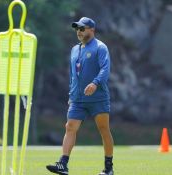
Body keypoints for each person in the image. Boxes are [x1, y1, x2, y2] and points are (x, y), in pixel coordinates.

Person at [46, 17, 114, 175]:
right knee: (70, 127)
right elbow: (72, 74)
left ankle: (108, 168)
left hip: (98, 97)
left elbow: (105, 69)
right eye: (77, 28)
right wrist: (72, 93)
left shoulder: (100, 47)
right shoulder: (74, 49)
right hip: (78, 99)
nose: (79, 31)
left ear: (92, 30)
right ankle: (63, 164)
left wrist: (95, 83)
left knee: (104, 129)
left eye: (82, 28)